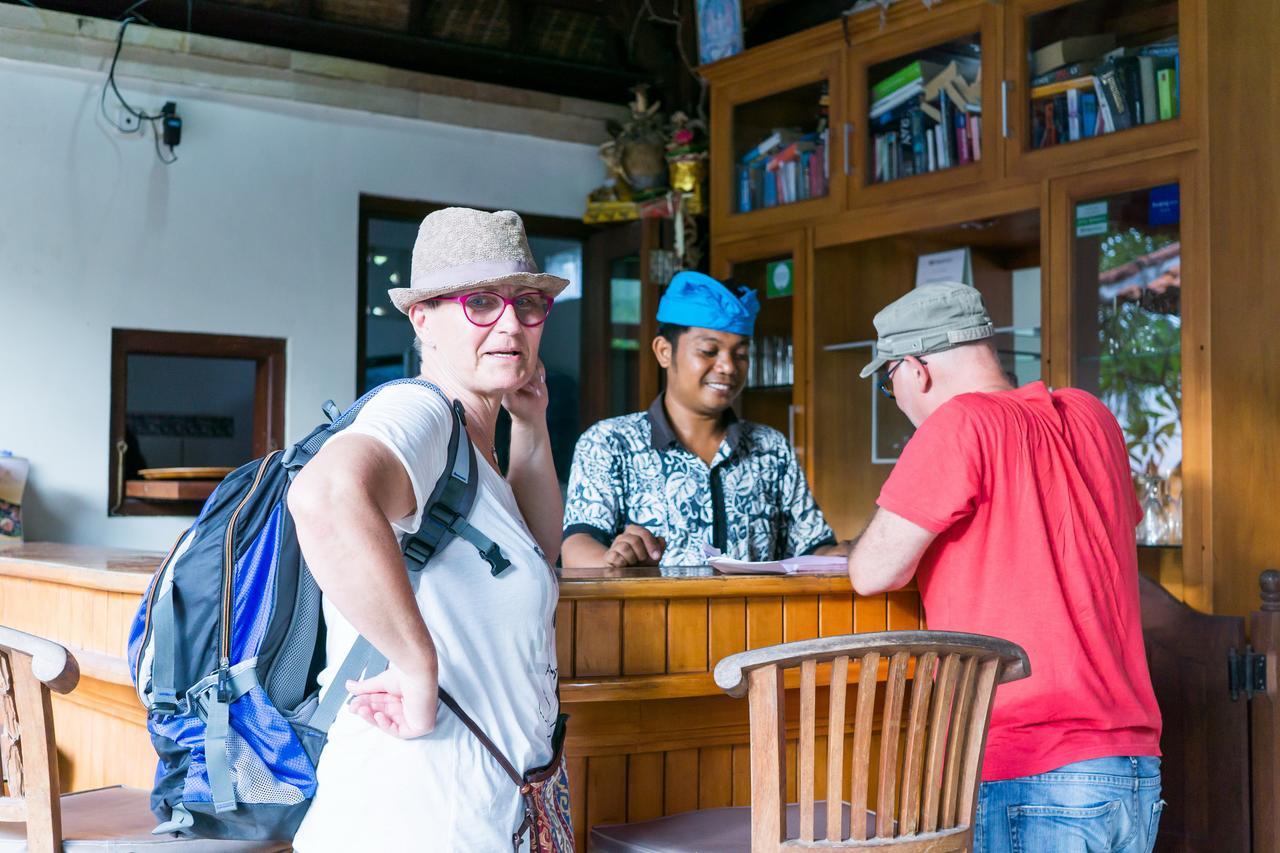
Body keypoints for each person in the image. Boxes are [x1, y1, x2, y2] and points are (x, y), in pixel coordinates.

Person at [846, 282, 1163, 853]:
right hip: (1131, 765)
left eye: (888, 385)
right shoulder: (1093, 416)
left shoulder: (959, 423)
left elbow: (871, 572)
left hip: (1031, 765)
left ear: (915, 369)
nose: (896, 401)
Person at [288, 207, 567, 852]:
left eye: (527, 305)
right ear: (421, 319)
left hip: (481, 809)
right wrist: (416, 663)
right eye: (479, 303)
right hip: (416, 817)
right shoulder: (419, 412)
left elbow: (539, 551)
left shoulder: (475, 447)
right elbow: (326, 496)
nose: (510, 322)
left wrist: (530, 421)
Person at [561, 270, 845, 568]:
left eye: (741, 354)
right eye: (709, 351)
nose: (728, 367)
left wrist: (846, 554)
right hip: (653, 616)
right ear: (664, 352)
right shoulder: (610, 443)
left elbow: (814, 548)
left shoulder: (770, 447)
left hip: (756, 616)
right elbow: (577, 545)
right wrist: (615, 561)